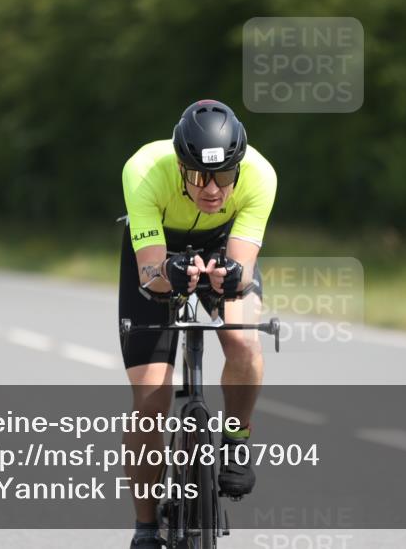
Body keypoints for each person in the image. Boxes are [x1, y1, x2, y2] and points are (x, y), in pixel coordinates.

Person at [119, 100, 277, 548]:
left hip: (222, 242)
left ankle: (236, 438)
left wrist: (229, 277)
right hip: (159, 249)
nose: (211, 189)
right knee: (151, 399)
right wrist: (170, 272)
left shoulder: (262, 175)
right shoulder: (145, 170)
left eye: (224, 177)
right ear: (180, 165)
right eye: (198, 176)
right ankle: (145, 528)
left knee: (244, 342)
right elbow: (149, 273)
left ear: (239, 168)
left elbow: (242, 270)